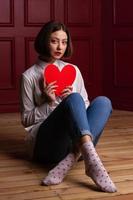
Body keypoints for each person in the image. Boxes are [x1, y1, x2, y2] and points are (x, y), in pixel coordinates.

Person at [20, 20, 117, 193]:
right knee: (74, 99)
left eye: (64, 42)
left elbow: (86, 105)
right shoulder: (29, 76)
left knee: (103, 101)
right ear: (44, 41)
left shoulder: (73, 70)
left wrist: (72, 103)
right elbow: (26, 120)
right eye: (54, 41)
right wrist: (49, 103)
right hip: (46, 147)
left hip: (74, 142)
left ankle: (74, 159)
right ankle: (90, 160)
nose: (60, 47)